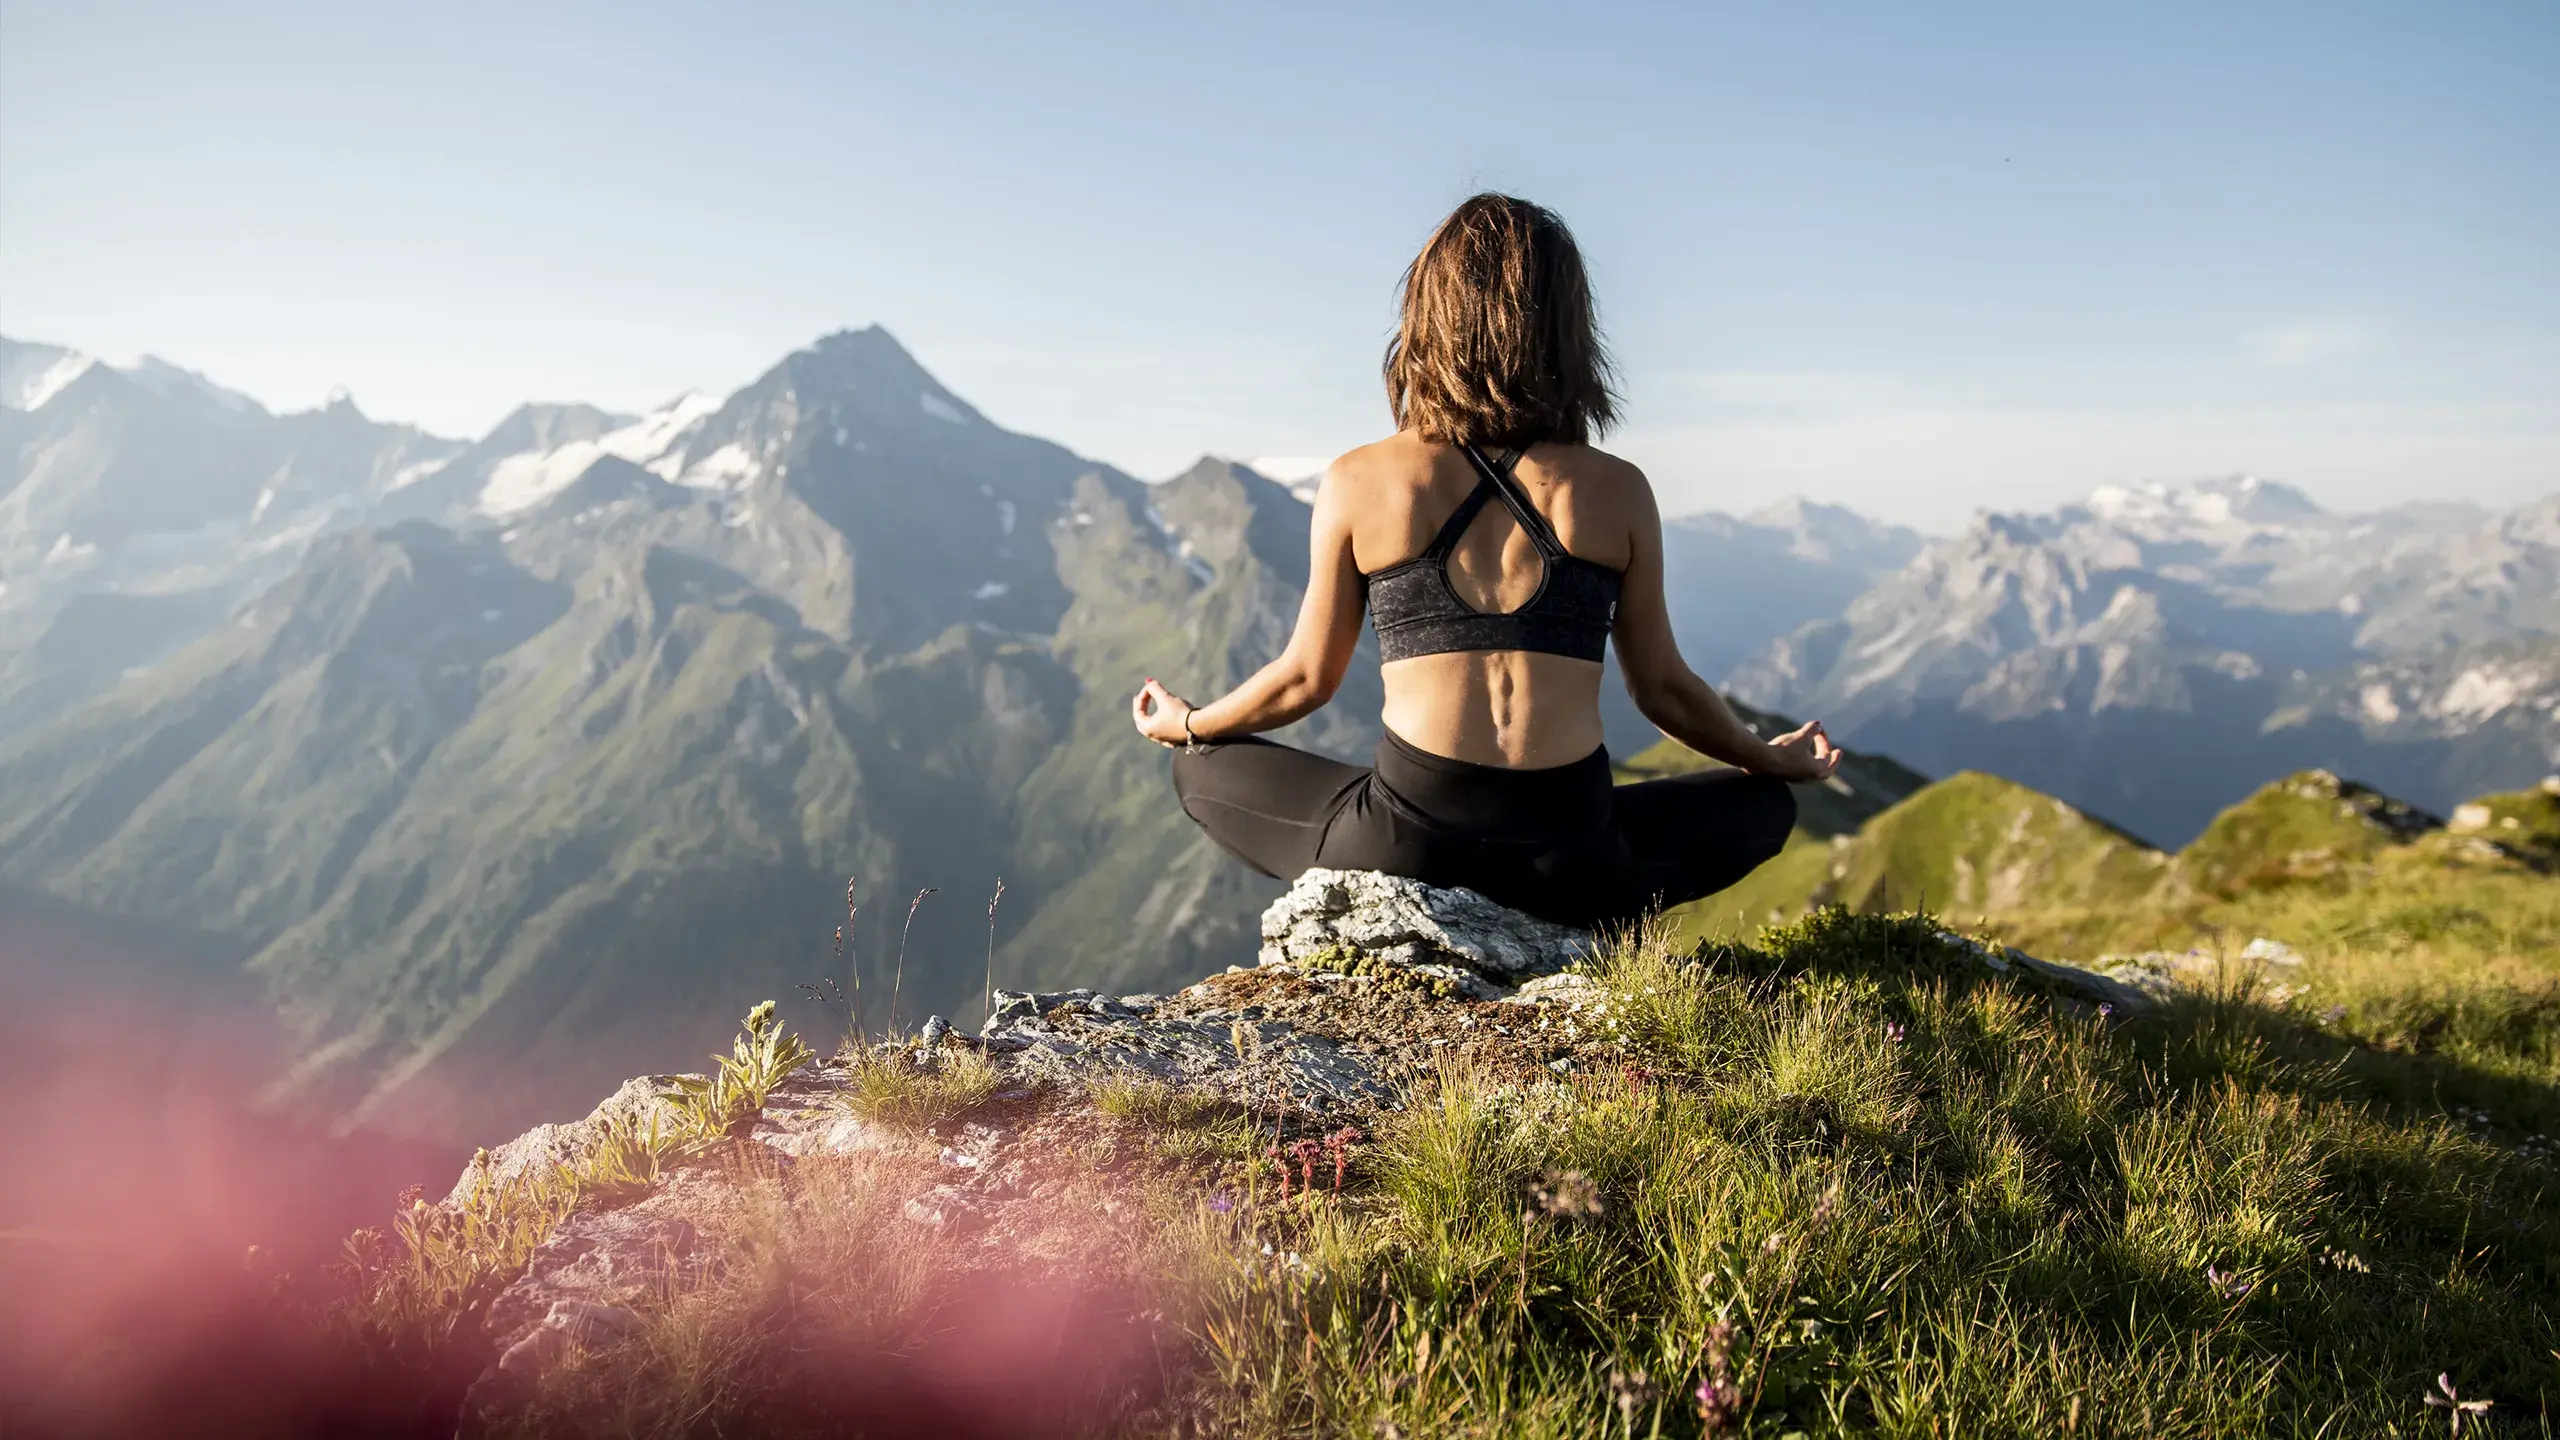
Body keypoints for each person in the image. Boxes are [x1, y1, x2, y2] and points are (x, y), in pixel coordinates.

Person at [1129, 192, 1839, 931]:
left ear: (1429, 316)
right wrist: (1769, 758)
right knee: (1762, 805)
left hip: (1409, 842)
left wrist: (1189, 724)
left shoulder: (1359, 480)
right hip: (1572, 855)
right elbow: (1664, 690)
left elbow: (1308, 679)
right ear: (1567, 330)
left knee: (1199, 767)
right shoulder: (1618, 490)